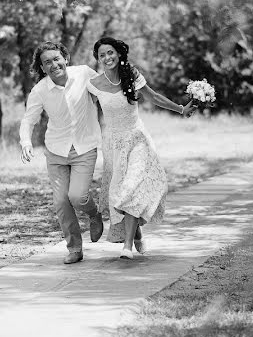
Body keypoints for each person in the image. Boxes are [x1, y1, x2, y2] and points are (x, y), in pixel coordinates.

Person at [86, 36, 198, 259]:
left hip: (138, 141)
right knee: (120, 194)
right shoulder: (93, 85)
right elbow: (85, 116)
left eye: (110, 53)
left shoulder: (132, 75)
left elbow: (154, 97)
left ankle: (127, 246)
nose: (107, 57)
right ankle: (136, 233)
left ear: (118, 54)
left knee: (132, 188)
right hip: (113, 146)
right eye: (102, 55)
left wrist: (180, 109)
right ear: (98, 59)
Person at [19, 41, 104, 264]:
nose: (53, 64)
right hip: (56, 151)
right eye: (47, 62)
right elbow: (28, 120)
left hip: (85, 147)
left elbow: (105, 89)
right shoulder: (40, 91)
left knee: (77, 196)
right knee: (61, 202)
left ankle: (94, 214)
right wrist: (26, 142)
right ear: (42, 68)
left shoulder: (84, 73)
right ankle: (74, 248)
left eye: (56, 58)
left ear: (65, 58)